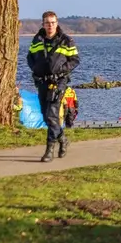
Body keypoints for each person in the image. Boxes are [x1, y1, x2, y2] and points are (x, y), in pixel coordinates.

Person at [26, 10, 80, 162]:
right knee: (45, 114)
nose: (50, 25)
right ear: (43, 24)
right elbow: (30, 57)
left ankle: (49, 149)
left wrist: (60, 71)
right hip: (42, 81)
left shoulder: (66, 40)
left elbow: (75, 60)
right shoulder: (37, 40)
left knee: (52, 115)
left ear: (57, 23)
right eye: (47, 23)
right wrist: (35, 69)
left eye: (53, 22)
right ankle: (63, 139)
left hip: (58, 82)